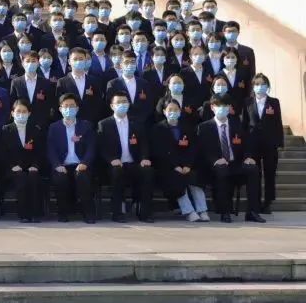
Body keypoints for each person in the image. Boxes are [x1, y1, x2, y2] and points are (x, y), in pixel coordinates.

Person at [198, 94, 264, 223]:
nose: (222, 108)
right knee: (222, 170)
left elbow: (246, 144)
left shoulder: (236, 124)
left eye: (225, 105)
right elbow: (202, 150)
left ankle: (252, 212)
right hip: (215, 165)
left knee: (253, 169)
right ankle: (225, 212)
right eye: (219, 105)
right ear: (212, 107)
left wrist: (247, 157)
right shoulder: (204, 127)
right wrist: (215, 160)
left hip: (235, 163)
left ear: (229, 108)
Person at [96, 92, 154, 223]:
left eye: (124, 102)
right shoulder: (104, 124)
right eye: (118, 102)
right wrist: (111, 159)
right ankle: (117, 213)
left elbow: (144, 144)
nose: (122, 105)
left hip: (133, 163)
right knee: (117, 172)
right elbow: (101, 147)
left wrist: (144, 158)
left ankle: (145, 213)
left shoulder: (137, 123)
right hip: (114, 164)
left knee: (148, 171)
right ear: (112, 106)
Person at [150, 99, 208, 222]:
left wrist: (188, 165)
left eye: (176, 109)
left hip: (186, 165)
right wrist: (175, 166)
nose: (173, 112)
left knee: (195, 178)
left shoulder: (187, 128)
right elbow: (159, 151)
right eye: (170, 110)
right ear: (164, 111)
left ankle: (202, 210)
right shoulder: (158, 129)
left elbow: (193, 148)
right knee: (177, 178)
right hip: (167, 166)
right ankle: (189, 211)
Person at [47, 93, 96, 223]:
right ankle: (63, 213)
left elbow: (91, 148)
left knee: (82, 177)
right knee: (60, 178)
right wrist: (57, 165)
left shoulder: (86, 125)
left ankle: (88, 213)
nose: (69, 109)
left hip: (81, 165)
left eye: (72, 106)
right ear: (60, 109)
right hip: (62, 165)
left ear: (77, 108)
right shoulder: (54, 127)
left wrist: (84, 163)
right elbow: (51, 150)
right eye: (66, 106)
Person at [0, 100, 44, 223]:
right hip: (11, 168)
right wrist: (12, 166)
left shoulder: (35, 130)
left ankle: (35, 213)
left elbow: (39, 152)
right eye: (18, 111)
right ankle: (24, 214)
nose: (21, 114)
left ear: (29, 113)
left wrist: (35, 165)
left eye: (24, 112)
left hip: (30, 167)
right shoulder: (5, 130)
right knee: (21, 177)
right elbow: (1, 153)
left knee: (33, 177)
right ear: (12, 113)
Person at [245, 73, 282, 214]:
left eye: (263, 84)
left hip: (270, 143)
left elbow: (278, 123)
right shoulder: (247, 102)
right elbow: (244, 124)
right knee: (255, 174)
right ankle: (256, 201)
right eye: (257, 84)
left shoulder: (274, 102)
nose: (260, 86)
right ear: (253, 86)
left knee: (270, 173)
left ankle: (268, 202)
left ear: (267, 86)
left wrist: (279, 142)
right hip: (253, 143)